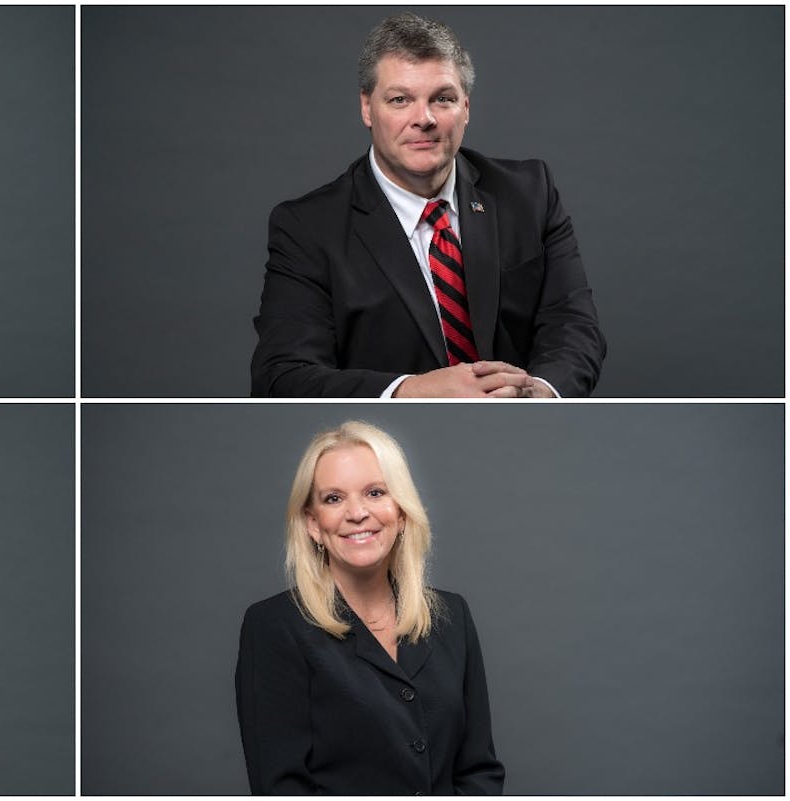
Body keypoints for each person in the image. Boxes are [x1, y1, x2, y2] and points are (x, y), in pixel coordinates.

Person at [251, 13, 605, 398]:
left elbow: (575, 326)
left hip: (521, 430)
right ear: (367, 108)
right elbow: (282, 376)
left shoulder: (530, 192)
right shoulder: (307, 227)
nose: (425, 118)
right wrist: (414, 391)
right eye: (400, 99)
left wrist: (539, 395)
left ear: (466, 108)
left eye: (443, 98)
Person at [235, 421, 503, 794]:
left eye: (375, 492)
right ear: (313, 523)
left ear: (402, 510)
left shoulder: (452, 615)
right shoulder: (273, 626)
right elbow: (281, 787)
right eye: (334, 498)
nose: (357, 513)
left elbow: (479, 770)